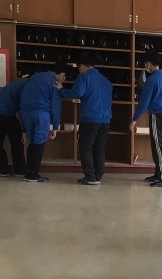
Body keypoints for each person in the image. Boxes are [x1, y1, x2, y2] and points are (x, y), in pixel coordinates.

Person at [57, 53, 112, 185]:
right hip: (106, 119)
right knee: (99, 149)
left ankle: (90, 177)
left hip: (90, 119)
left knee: (85, 147)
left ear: (81, 66)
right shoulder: (105, 80)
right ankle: (98, 177)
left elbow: (77, 93)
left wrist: (61, 90)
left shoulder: (84, 76)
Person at [129, 51, 162, 188]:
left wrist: (134, 119)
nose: (144, 66)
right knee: (160, 147)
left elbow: (144, 102)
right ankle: (158, 175)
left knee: (159, 148)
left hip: (158, 116)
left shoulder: (152, 79)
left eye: (145, 63)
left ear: (148, 63)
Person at [19, 63, 68, 182]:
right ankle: (34, 175)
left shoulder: (34, 77)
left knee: (32, 142)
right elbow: (55, 106)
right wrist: (55, 127)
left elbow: (23, 96)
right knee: (39, 142)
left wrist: (23, 128)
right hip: (41, 114)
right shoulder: (55, 82)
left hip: (25, 112)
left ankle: (29, 172)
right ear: (61, 74)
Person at [0, 78, 28, 177]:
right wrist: (24, 130)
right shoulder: (27, 87)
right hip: (6, 114)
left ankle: (3, 170)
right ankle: (19, 170)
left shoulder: (20, 82)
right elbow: (23, 110)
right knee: (17, 141)